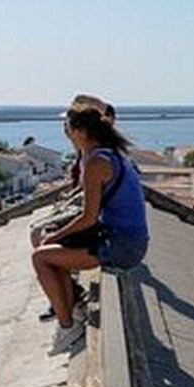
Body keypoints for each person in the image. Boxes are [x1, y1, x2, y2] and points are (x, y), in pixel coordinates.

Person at [32, 102, 148, 355]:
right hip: (122, 237)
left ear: (81, 132)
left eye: (69, 128)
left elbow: (88, 217)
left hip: (122, 246)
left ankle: (68, 327)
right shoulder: (107, 154)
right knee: (49, 246)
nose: (66, 133)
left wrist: (55, 235)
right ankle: (71, 307)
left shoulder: (97, 163)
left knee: (41, 257)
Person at [29, 97, 116, 320]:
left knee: (42, 237)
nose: (65, 131)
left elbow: (89, 210)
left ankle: (66, 304)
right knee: (39, 233)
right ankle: (65, 295)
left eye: (68, 125)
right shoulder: (86, 153)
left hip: (97, 218)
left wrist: (87, 100)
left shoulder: (97, 154)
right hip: (87, 207)